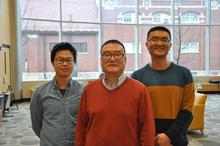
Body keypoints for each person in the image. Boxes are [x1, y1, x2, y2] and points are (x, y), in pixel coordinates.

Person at [75, 39, 155, 146]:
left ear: (125, 59)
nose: (112, 59)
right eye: (107, 55)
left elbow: (147, 130)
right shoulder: (89, 90)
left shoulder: (140, 90)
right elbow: (81, 128)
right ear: (101, 60)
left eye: (117, 54)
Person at [131, 26, 195, 146]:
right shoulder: (137, 77)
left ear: (170, 45)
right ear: (147, 44)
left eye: (164, 40)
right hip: (147, 140)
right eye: (154, 39)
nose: (159, 43)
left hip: (176, 140)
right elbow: (135, 114)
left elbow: (188, 111)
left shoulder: (184, 74)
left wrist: (169, 136)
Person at [30, 42, 83, 146]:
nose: (64, 64)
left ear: (74, 62)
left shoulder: (83, 92)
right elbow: (36, 124)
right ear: (52, 62)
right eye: (60, 60)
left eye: (68, 60)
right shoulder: (40, 92)